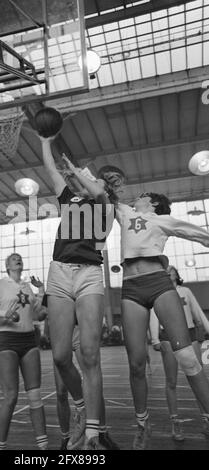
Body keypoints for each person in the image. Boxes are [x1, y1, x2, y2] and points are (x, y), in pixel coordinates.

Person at [107, 181, 209, 450]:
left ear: (151, 203)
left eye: (141, 196)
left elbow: (194, 232)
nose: (136, 198)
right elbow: (98, 192)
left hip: (158, 282)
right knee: (137, 363)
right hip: (131, 287)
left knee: (186, 356)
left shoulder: (161, 219)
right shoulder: (123, 212)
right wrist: (76, 172)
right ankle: (142, 424)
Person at [40, 136, 115, 450]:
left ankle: (94, 434)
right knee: (59, 356)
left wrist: (73, 166)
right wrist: (46, 141)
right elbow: (49, 169)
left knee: (89, 353)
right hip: (59, 272)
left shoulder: (103, 202)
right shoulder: (67, 196)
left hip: (88, 275)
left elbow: (97, 188)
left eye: (93, 176)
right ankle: (83, 406)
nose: (91, 179)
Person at [0, 253, 48, 451]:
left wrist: (41, 290)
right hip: (7, 340)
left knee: (35, 396)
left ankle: (43, 448)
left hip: (29, 340)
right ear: (7, 265)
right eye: (14, 258)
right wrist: (3, 314)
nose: (19, 259)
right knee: (11, 396)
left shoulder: (26, 287)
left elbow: (38, 311)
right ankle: (0, 447)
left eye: (20, 258)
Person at [150, 265, 209, 440]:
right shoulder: (158, 294)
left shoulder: (186, 291)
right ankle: (175, 423)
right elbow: (154, 314)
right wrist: (155, 338)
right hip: (168, 337)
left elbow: (197, 312)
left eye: (172, 270)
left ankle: (206, 419)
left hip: (190, 336)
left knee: (199, 379)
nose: (169, 271)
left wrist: (207, 328)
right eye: (165, 270)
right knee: (171, 381)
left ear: (176, 274)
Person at [53, 325, 119, 450]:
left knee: (92, 382)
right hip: (60, 325)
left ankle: (102, 433)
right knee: (61, 392)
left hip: (78, 326)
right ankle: (65, 437)